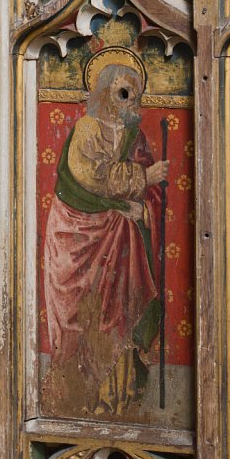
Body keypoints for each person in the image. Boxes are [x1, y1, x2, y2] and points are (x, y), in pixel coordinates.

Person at [43, 47, 169, 416]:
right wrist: (143, 178)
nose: (131, 101)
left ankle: (118, 395)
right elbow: (89, 178)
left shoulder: (136, 138)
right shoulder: (88, 129)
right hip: (77, 234)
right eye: (123, 92)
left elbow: (153, 199)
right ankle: (75, 394)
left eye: (136, 94)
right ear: (103, 94)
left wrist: (146, 203)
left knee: (119, 310)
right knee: (81, 316)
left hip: (121, 243)